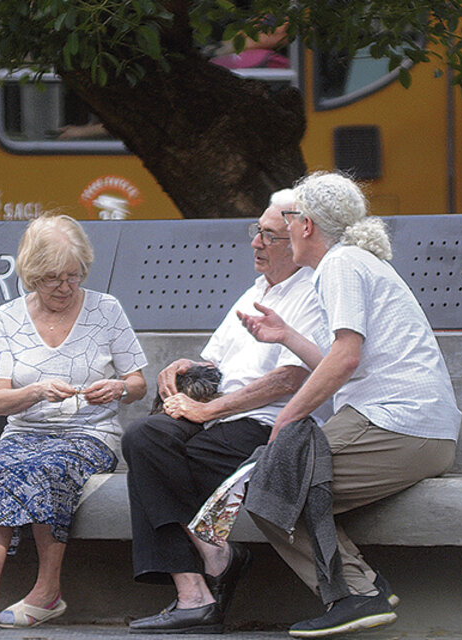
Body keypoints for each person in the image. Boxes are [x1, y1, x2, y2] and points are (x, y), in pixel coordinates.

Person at [238, 171, 462, 638]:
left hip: (395, 425)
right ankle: (364, 587)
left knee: (272, 483)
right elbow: (343, 360)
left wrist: (289, 414)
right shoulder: (352, 263)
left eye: (289, 217)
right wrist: (288, 336)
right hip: (413, 429)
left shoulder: (341, 265)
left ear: (306, 225)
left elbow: (346, 357)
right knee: (277, 480)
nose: (281, 229)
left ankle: (356, 595)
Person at [122, 189, 331, 634]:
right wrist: (187, 367)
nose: (255, 242)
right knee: (143, 439)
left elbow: (289, 380)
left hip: (266, 426)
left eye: (269, 236)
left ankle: (192, 595)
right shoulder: (254, 290)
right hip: (218, 418)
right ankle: (213, 557)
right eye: (255, 231)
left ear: (296, 240)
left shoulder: (313, 292)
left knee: (159, 469)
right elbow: (216, 364)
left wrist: (207, 410)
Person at [0, 214, 148, 631]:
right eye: (52, 279)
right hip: (26, 430)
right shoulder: (7, 318)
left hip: (90, 432)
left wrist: (116, 388)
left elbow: (139, 384)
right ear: (31, 275)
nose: (65, 287)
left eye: (74, 276)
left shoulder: (106, 309)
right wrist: (37, 391)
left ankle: (47, 593)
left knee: (50, 467)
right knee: (6, 469)